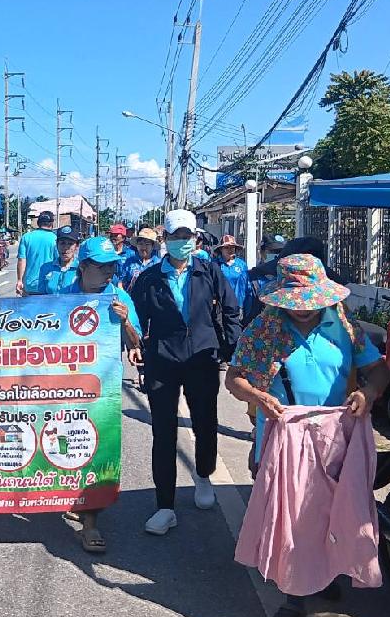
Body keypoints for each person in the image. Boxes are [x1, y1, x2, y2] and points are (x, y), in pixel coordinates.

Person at [225, 253, 388, 617]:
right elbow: (234, 378)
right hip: (283, 437)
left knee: (333, 510)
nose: (302, 309)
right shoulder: (265, 328)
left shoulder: (343, 323)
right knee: (295, 518)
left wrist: (368, 393)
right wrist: (258, 397)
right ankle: (294, 596)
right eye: (295, 302)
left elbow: (378, 369)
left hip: (336, 435)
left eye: (309, 301)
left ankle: (325, 573)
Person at [129, 209, 242, 534]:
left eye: (187, 236)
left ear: (195, 238)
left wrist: (231, 350)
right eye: (176, 236)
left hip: (202, 357)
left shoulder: (208, 271)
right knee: (163, 431)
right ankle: (165, 506)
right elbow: (136, 319)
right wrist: (135, 348)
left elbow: (230, 308)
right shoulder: (150, 278)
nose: (182, 241)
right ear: (165, 239)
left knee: (205, 422)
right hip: (162, 360)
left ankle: (203, 475)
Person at [55, 236, 143, 553]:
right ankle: (70, 498)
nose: (108, 272)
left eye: (112, 267)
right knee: (63, 445)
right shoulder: (62, 296)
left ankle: (90, 522)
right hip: (64, 387)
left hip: (102, 389)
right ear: (83, 267)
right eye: (102, 266)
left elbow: (135, 341)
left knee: (94, 449)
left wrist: (126, 322)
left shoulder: (118, 296)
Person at [16, 210, 58, 296]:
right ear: (51, 223)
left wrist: (19, 280)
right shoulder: (56, 239)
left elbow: (21, 261)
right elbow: (59, 263)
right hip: (49, 285)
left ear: (38, 223)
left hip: (30, 286)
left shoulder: (26, 237)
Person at [215, 234, 252, 323]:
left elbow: (246, 286)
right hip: (220, 304)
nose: (230, 249)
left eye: (232, 247)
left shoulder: (241, 264)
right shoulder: (215, 264)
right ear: (221, 249)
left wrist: (243, 306)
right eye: (226, 247)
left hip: (237, 304)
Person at [33, 225, 80, 294]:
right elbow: (42, 295)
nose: (65, 248)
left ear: (77, 246)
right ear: (57, 245)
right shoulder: (45, 268)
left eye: (70, 244)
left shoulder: (81, 269)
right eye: (62, 243)